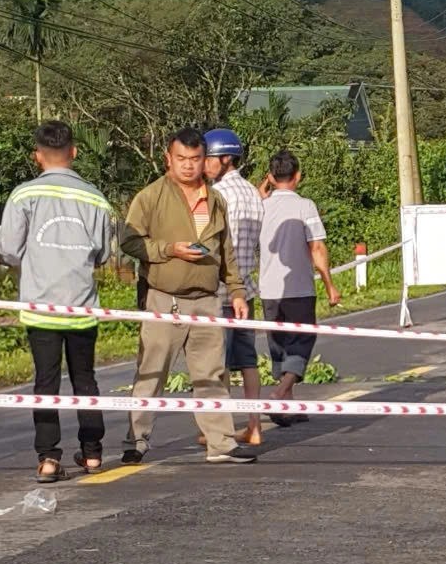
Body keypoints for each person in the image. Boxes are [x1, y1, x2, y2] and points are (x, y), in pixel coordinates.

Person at [0, 120, 120, 481]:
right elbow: (102, 253)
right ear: (74, 152)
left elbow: (9, 249)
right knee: (86, 380)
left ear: (38, 156)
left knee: (45, 383)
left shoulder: (23, 195)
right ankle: (94, 453)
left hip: (40, 307)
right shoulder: (95, 197)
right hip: (82, 306)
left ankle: (49, 458)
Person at [119, 126, 249, 465]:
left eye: (195, 159)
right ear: (168, 159)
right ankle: (136, 440)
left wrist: (236, 291)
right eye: (181, 159)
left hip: (206, 299)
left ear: (205, 160)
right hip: (164, 298)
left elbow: (226, 250)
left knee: (211, 375)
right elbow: (129, 241)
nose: (188, 166)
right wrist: (169, 250)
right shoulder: (150, 197)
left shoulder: (216, 199)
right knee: (151, 372)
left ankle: (221, 443)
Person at [256, 149, 341, 424]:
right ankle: (280, 394)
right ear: (298, 176)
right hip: (300, 288)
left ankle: (288, 406)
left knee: (278, 346)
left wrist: (262, 193)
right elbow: (316, 247)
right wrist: (329, 284)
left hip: (268, 289)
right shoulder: (305, 206)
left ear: (270, 176)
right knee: (302, 342)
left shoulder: (261, 206)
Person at [203, 128, 264, 445]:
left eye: (209, 158)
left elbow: (212, 245)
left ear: (225, 158)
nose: (204, 164)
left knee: (219, 364)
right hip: (248, 289)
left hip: (222, 291)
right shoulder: (254, 192)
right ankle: (254, 426)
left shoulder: (217, 195)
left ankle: (221, 431)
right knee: (248, 361)